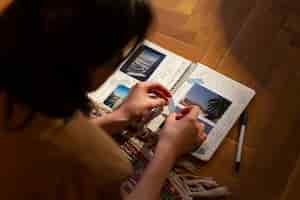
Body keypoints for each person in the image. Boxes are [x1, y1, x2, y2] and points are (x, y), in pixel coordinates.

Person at [0, 0, 206, 199]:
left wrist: (118, 116)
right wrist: (169, 149)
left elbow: (36, 143)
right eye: (119, 56)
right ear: (84, 66)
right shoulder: (99, 165)